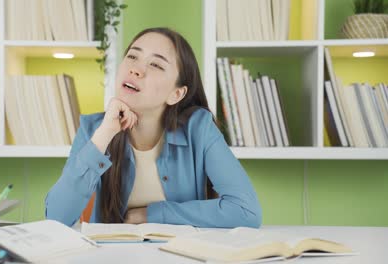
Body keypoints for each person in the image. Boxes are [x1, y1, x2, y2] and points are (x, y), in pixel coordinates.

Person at [45, 27, 261, 228]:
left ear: (176, 94)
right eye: (132, 56)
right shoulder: (94, 129)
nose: (136, 69)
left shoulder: (199, 128)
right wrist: (104, 134)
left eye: (156, 64)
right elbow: (56, 217)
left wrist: (151, 215)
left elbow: (246, 211)